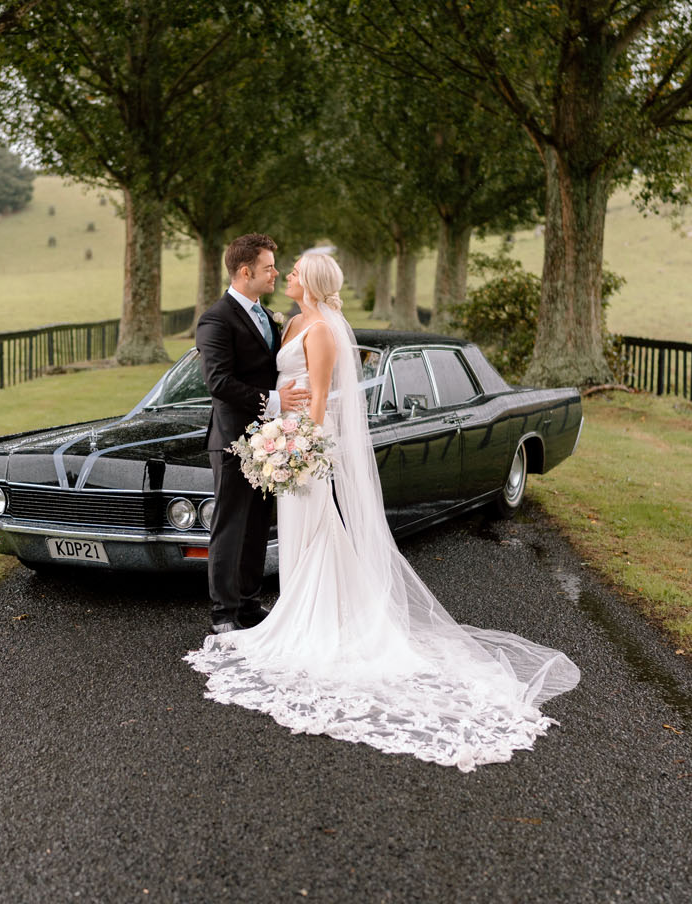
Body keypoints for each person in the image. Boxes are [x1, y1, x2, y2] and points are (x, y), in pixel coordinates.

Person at [186, 252, 580, 771]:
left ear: (312, 282)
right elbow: (240, 379)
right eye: (277, 268)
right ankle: (254, 609)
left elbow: (320, 399)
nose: (284, 275)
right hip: (274, 439)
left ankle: (294, 615)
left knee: (311, 533)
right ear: (245, 272)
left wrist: (298, 447)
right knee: (277, 531)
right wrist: (280, 427)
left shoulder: (320, 329)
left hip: (300, 446)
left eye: (293, 270)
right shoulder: (288, 323)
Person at [194, 233, 311, 634]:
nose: (276, 273)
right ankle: (223, 613)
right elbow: (219, 383)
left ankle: (247, 604)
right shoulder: (216, 319)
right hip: (233, 441)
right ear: (245, 272)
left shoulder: (268, 315)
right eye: (268, 267)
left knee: (258, 526)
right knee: (230, 527)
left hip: (271, 441)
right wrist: (275, 400)